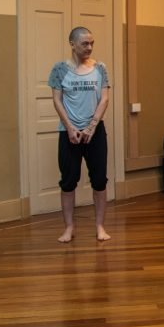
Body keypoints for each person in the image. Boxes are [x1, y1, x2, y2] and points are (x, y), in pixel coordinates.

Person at [48, 26, 112, 243]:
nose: (90, 47)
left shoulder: (100, 68)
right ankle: (69, 228)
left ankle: (100, 227)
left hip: (95, 133)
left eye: (92, 43)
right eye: (85, 43)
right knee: (68, 181)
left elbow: (104, 99)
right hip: (69, 133)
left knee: (99, 180)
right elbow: (57, 100)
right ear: (72, 44)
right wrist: (70, 128)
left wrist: (92, 127)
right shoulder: (59, 69)